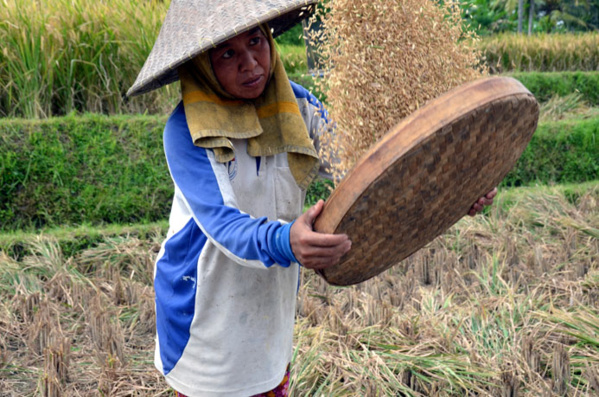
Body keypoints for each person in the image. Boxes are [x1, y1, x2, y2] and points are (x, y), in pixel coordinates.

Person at [127, 2, 496, 396]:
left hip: (270, 300)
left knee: (267, 377)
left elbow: (368, 172)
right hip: (202, 308)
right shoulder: (187, 130)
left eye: (256, 41)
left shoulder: (296, 107)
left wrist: (453, 187)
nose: (251, 63)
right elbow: (223, 225)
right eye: (228, 53)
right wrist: (288, 240)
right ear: (201, 64)